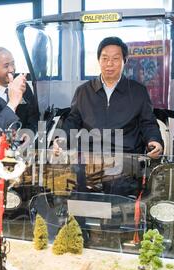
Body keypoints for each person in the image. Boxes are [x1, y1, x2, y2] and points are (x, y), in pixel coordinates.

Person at [55, 37, 163, 197]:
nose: (109, 64)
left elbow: (148, 123)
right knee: (72, 184)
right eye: (105, 58)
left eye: (115, 59)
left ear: (124, 61)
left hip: (124, 156)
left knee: (116, 189)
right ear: (99, 60)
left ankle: (111, 221)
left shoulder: (138, 91)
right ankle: (79, 221)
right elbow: (72, 121)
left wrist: (154, 140)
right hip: (89, 155)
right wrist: (61, 140)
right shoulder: (83, 91)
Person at [0, 47, 39, 132]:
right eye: (6, 66)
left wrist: (29, 132)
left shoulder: (23, 85)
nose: (12, 69)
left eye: (13, 64)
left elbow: (34, 116)